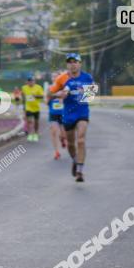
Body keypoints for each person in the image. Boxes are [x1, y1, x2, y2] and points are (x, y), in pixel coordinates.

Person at [48, 53, 95, 182]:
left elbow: (90, 98)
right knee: (70, 144)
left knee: (81, 140)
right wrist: (60, 94)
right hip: (68, 115)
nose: (72, 64)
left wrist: (81, 93)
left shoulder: (87, 77)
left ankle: (80, 171)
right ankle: (75, 160)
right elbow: (50, 93)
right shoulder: (61, 79)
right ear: (67, 64)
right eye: (70, 62)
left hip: (82, 113)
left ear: (80, 64)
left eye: (75, 62)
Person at [46, 70, 67, 160]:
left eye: (56, 76)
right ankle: (56, 152)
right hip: (53, 113)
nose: (54, 78)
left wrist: (62, 98)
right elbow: (46, 102)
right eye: (53, 76)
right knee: (54, 132)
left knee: (63, 134)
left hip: (63, 113)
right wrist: (51, 98)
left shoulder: (64, 88)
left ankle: (63, 139)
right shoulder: (49, 88)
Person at [21, 76, 44, 142]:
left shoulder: (38, 87)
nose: (30, 82)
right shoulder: (24, 88)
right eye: (29, 81)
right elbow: (23, 98)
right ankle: (30, 134)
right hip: (28, 107)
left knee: (36, 122)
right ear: (27, 82)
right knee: (30, 121)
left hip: (36, 108)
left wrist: (36, 96)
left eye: (32, 81)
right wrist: (24, 108)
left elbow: (42, 96)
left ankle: (36, 133)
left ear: (34, 81)